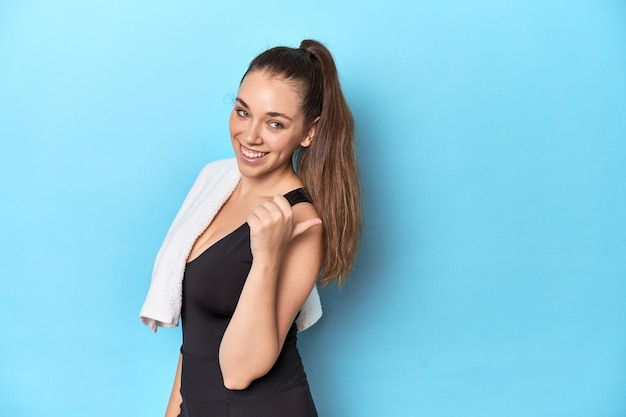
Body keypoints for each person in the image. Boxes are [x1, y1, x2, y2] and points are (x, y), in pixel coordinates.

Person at [140, 39, 361, 417]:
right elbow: (197, 339)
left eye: (275, 123)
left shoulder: (302, 224)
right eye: (243, 112)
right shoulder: (215, 182)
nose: (251, 135)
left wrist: (267, 257)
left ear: (309, 132)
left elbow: (240, 371)